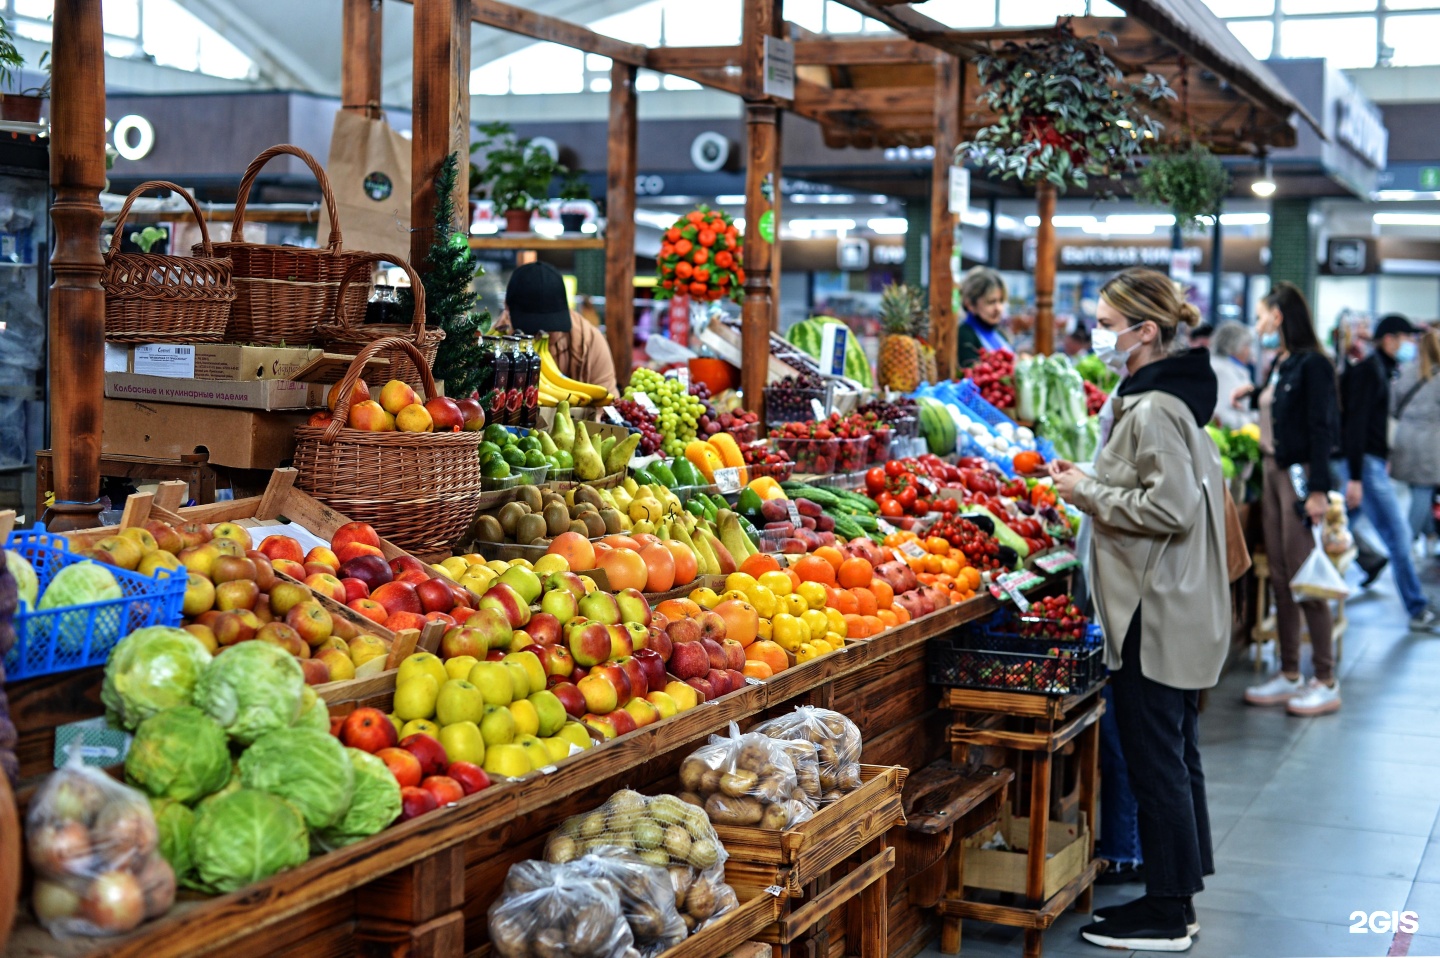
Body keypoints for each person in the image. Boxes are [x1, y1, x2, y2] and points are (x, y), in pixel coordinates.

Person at [1048, 268, 1228, 953]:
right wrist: (1092, 482)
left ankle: (1169, 911)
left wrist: (1084, 492)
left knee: (1158, 757)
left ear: (1143, 331)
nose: (1097, 333)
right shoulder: (1164, 398)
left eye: (1103, 321)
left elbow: (1169, 509)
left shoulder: (1154, 409)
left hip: (1155, 610)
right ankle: (1174, 887)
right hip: (1170, 601)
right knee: (1174, 754)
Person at [1236, 283, 1344, 715]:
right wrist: (1251, 397)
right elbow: (1280, 411)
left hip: (1299, 478)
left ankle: (1325, 677)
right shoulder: (1280, 362)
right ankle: (1288, 672)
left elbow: (1322, 428)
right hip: (1272, 472)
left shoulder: (1314, 364)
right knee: (1281, 576)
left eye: (1262, 315)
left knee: (1305, 577)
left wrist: (1318, 491)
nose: (1258, 323)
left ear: (1278, 317)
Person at [1336, 313, 1438, 631]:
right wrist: (1354, 476)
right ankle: (1417, 608)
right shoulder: (1371, 371)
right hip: (1365, 465)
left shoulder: (1382, 370)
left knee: (1340, 529)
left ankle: (1316, 593)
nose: (1410, 345)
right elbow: (1355, 426)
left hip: (1370, 463)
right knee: (1398, 535)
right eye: (1406, 338)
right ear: (1391, 339)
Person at [498, 261, 619, 399]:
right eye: (531, 329)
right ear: (507, 309)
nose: (541, 335)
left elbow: (609, 401)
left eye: (550, 328)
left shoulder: (589, 341)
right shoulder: (494, 344)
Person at [1392, 328, 1440, 559]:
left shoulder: (1407, 372)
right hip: (1430, 444)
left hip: (1404, 440)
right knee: (1423, 492)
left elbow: (1393, 406)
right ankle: (1407, 542)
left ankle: (1430, 534)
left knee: (1418, 491)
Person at [955, 267, 1010, 369]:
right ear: (970, 304)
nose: (998, 308)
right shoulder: (964, 335)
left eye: (1001, 301)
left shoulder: (1001, 334)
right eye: (991, 302)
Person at [1208, 321, 1258, 431]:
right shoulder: (1221, 370)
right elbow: (1221, 412)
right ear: (1234, 345)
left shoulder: (1228, 367)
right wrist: (1248, 424)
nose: (1249, 351)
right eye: (1246, 345)